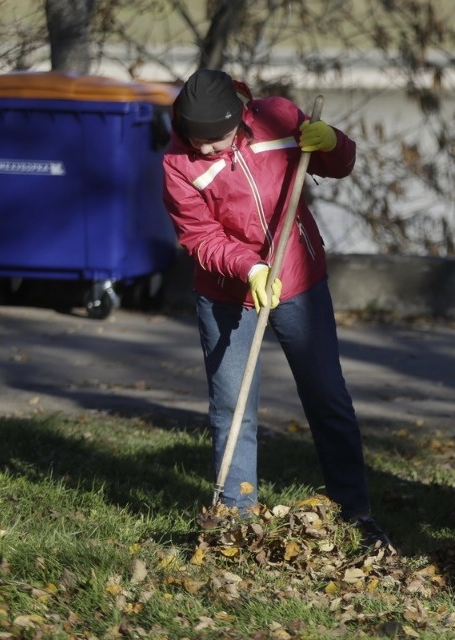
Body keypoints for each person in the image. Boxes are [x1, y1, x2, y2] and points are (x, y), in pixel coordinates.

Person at [162, 69, 390, 549]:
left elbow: (338, 164)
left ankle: (355, 511)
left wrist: (332, 142)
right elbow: (199, 236)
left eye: (215, 139)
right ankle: (235, 516)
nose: (204, 149)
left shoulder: (278, 118)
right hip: (226, 292)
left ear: (241, 120)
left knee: (326, 397)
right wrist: (249, 269)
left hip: (298, 279)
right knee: (232, 405)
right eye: (195, 138)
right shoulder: (177, 162)